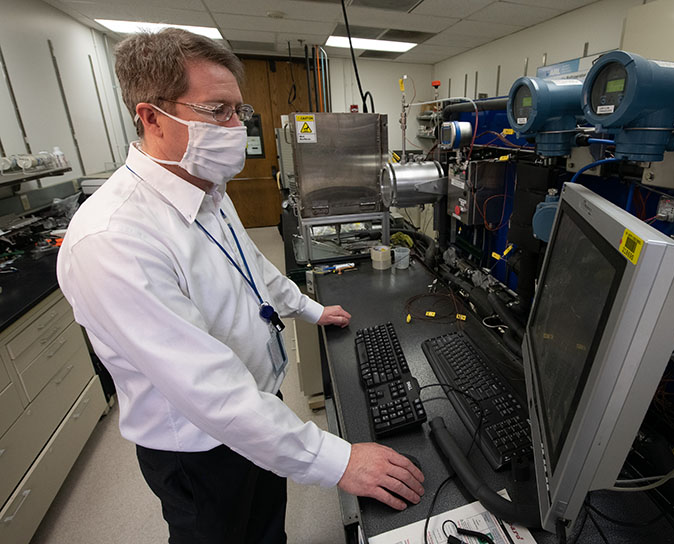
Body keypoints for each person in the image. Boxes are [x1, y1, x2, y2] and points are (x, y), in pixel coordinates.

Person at [57, 28, 424, 544]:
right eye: (217, 111)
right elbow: (207, 388)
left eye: (238, 111)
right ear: (151, 117)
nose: (236, 128)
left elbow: (252, 268)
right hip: (200, 449)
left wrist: (309, 309)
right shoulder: (113, 239)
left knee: (267, 530)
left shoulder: (208, 190)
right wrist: (336, 460)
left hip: (258, 411)